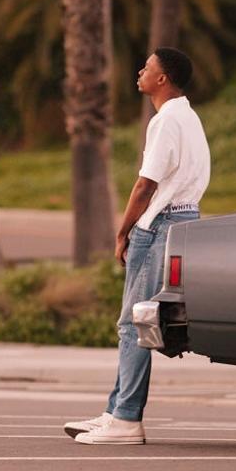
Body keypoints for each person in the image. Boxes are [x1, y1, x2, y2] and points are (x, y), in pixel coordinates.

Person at [64, 47, 211, 445]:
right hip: (184, 219)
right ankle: (115, 411)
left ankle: (126, 418)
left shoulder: (166, 121)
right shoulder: (189, 117)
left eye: (146, 67)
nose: (139, 71)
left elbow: (145, 184)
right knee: (137, 323)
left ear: (162, 79)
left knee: (133, 324)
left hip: (160, 223)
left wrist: (123, 230)